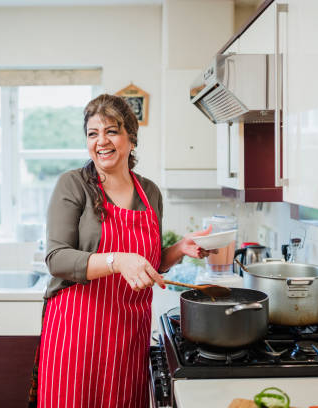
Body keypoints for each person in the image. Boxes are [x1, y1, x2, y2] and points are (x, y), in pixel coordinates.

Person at [33, 94, 215, 408]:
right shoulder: (74, 184)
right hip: (79, 331)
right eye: (93, 134)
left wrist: (179, 249)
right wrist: (117, 260)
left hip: (129, 333)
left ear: (131, 139)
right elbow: (57, 258)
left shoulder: (150, 192)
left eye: (111, 131)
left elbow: (149, 261)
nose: (101, 141)